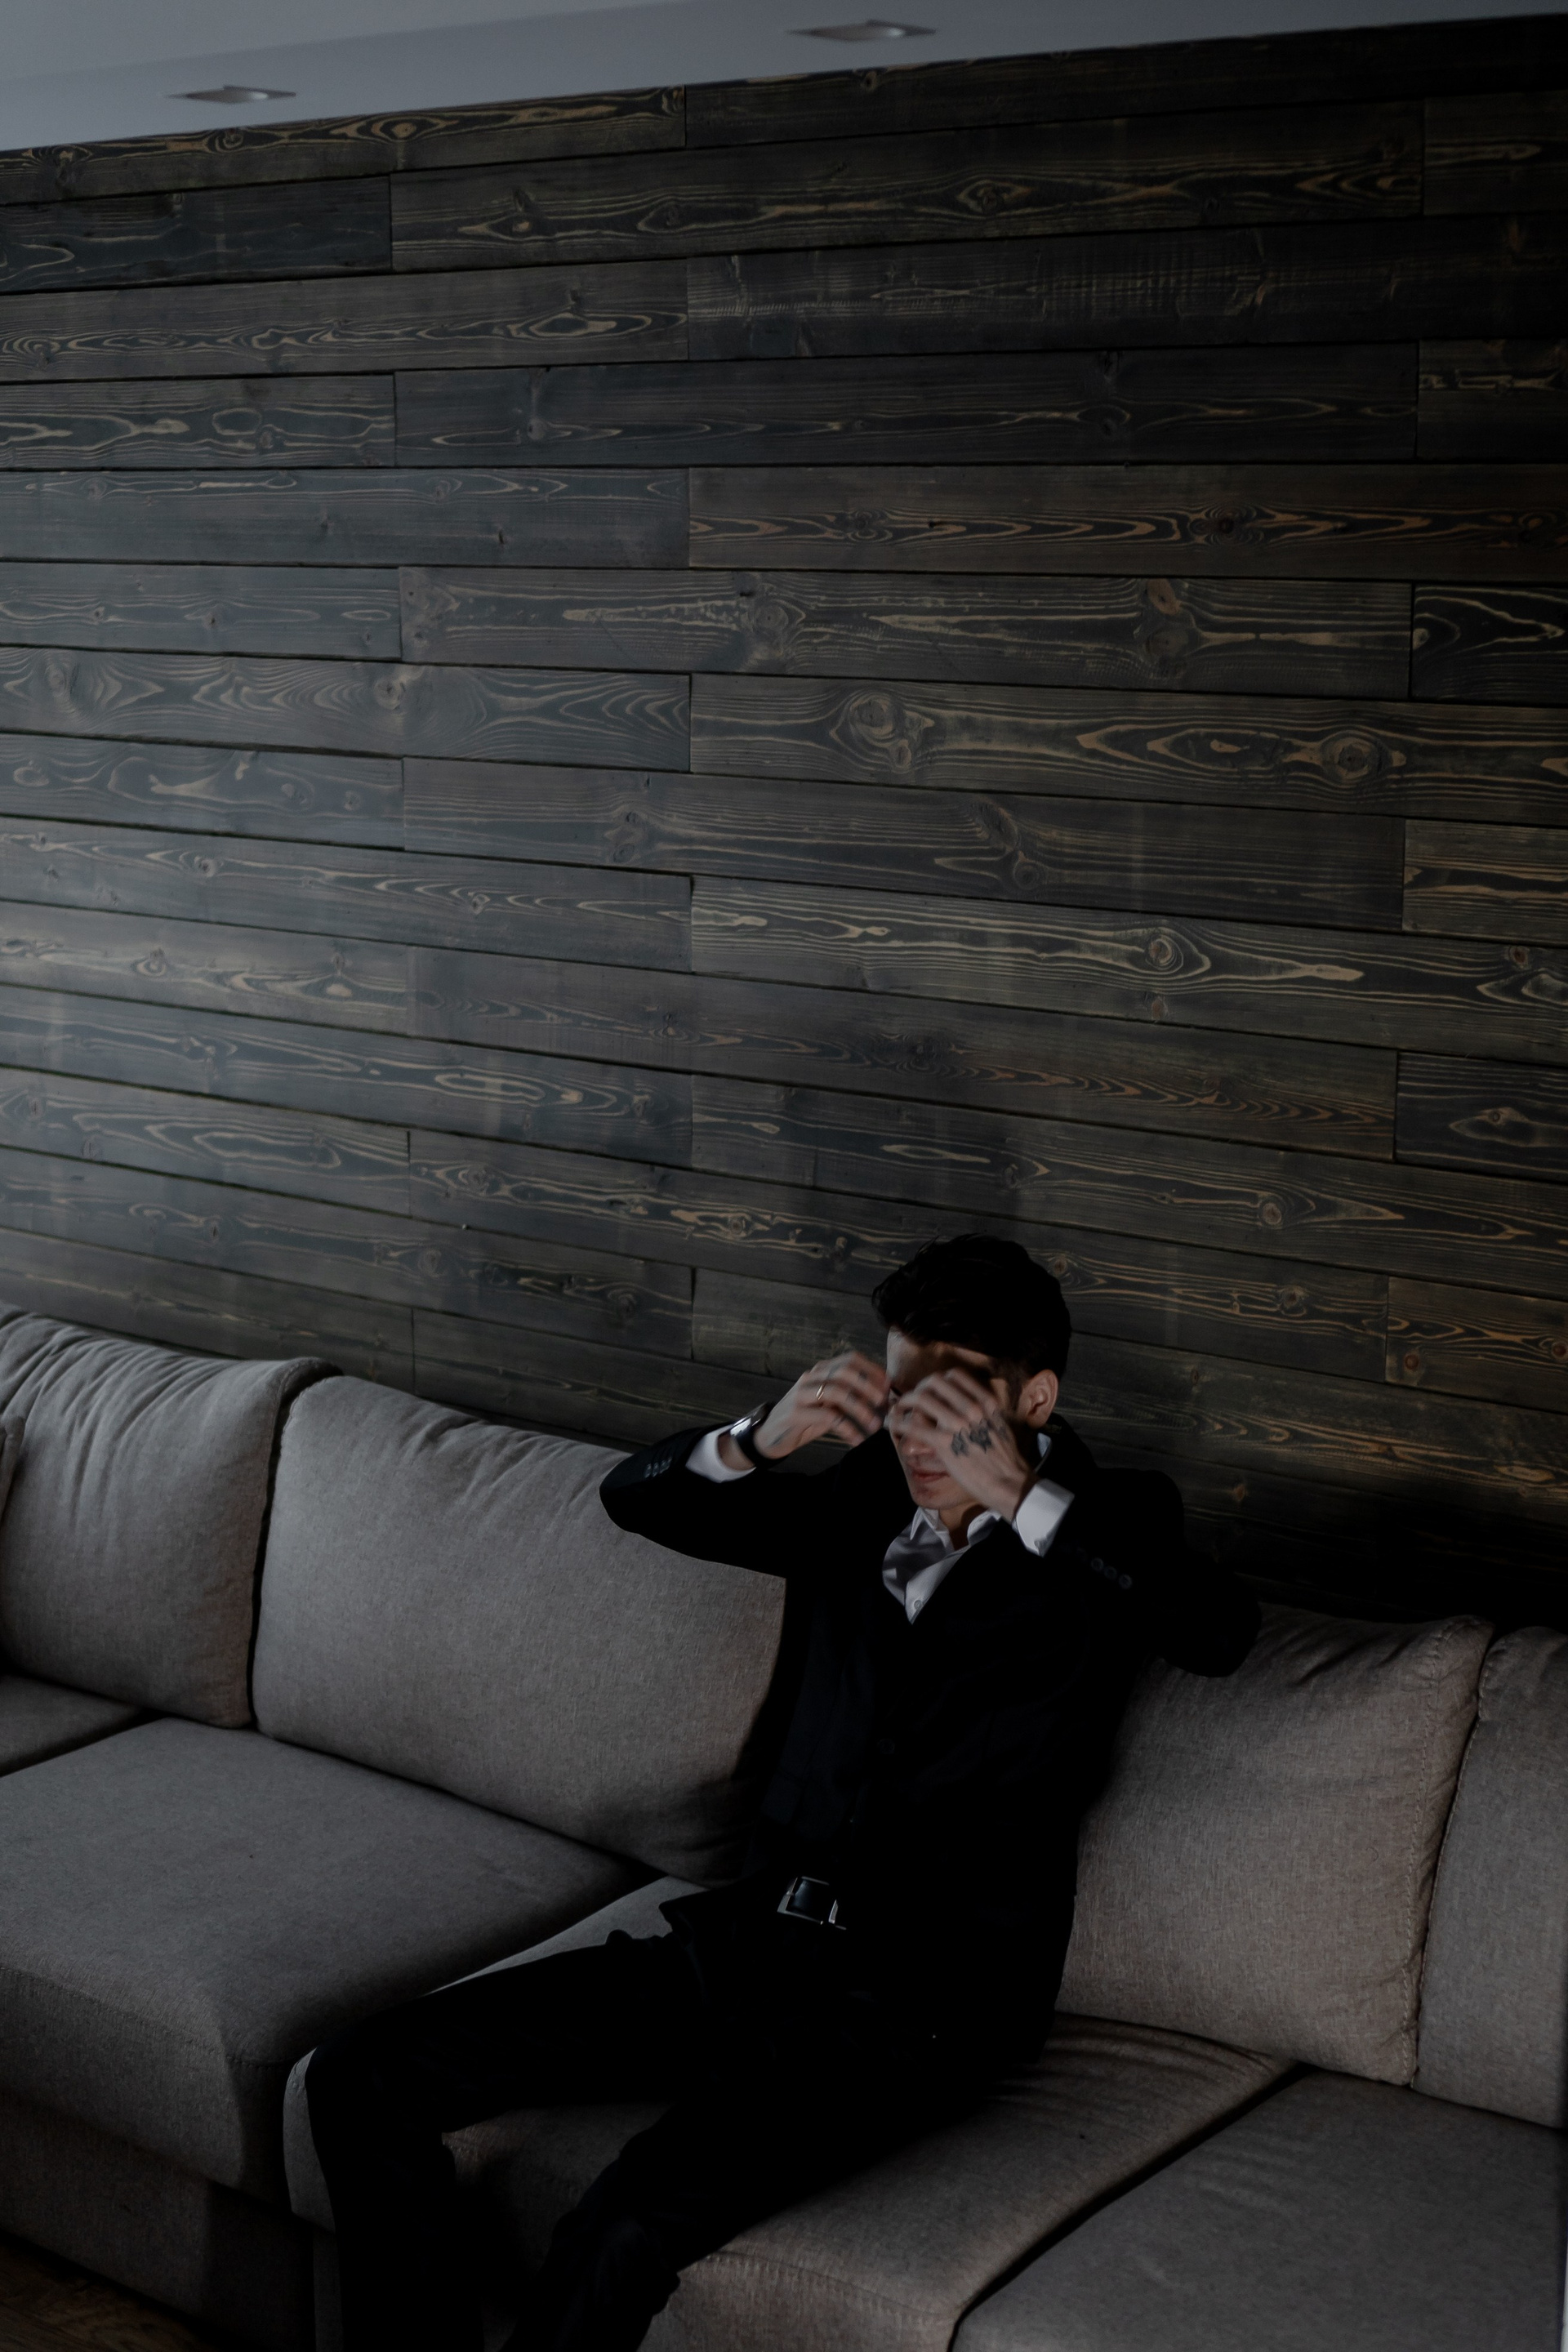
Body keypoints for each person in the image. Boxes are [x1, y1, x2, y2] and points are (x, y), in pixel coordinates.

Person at [306, 1232, 1258, 2352]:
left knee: (623, 2225)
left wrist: (1018, 1488)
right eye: (901, 1398)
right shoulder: (865, 1497)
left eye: (951, 1404)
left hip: (915, 2005)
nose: (917, 1435)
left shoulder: (1113, 1524)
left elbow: (1216, 1631)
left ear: (1035, 1398)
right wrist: (758, 1439)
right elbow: (639, 1499)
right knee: (361, 2075)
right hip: (752, 1945)